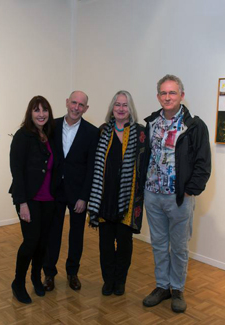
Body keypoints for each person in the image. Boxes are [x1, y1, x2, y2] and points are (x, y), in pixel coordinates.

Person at [142, 75, 211, 313]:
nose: (167, 97)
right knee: (159, 244)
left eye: (172, 92)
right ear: (158, 96)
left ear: (181, 95)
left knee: (179, 247)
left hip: (178, 198)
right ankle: (162, 287)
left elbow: (203, 162)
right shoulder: (151, 122)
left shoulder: (194, 126)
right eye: (163, 93)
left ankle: (177, 289)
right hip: (152, 194)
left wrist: (191, 190)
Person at [87, 90, 148, 296]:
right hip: (104, 197)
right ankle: (108, 280)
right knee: (105, 244)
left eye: (125, 105)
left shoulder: (140, 133)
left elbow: (146, 164)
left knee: (124, 244)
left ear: (130, 109)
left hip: (128, 200)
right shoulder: (103, 131)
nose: (121, 109)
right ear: (112, 109)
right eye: (117, 105)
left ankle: (120, 281)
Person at [42, 91, 99, 291]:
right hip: (54, 191)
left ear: (86, 108)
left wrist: (85, 197)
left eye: (81, 105)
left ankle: (72, 273)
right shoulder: (52, 127)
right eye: (73, 102)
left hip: (78, 194)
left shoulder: (92, 133)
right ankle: (49, 273)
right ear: (66, 102)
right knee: (53, 234)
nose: (76, 107)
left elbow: (91, 167)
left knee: (76, 235)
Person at [9, 96, 56, 304]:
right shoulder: (22, 136)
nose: (41, 114)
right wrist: (22, 203)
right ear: (30, 113)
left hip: (49, 199)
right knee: (30, 242)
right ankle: (18, 283)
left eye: (44, 110)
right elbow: (16, 172)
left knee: (42, 243)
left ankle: (36, 278)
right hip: (29, 199)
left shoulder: (49, 134)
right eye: (36, 110)